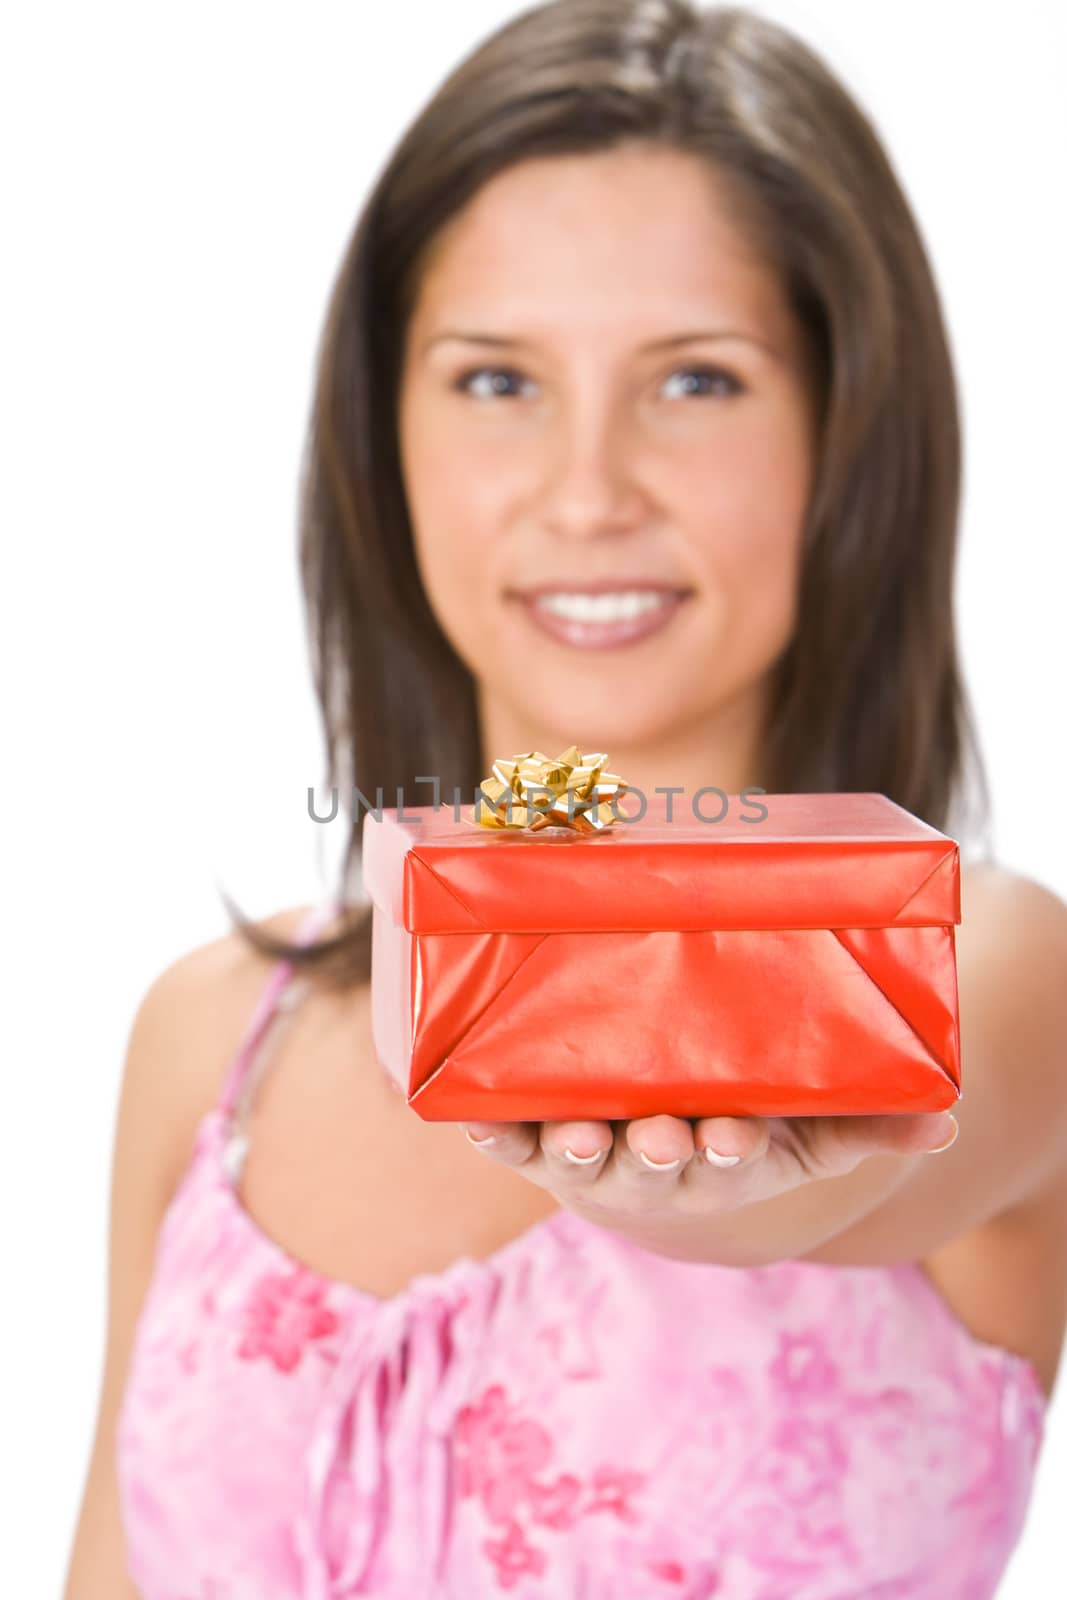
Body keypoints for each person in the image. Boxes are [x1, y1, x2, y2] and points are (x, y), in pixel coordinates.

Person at [64, 2, 1067, 1596]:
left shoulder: (978, 963)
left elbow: (846, 1175)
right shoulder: (211, 1039)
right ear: (380, 435)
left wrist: (725, 1183)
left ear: (847, 435)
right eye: (495, 381)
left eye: (696, 383)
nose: (588, 491)